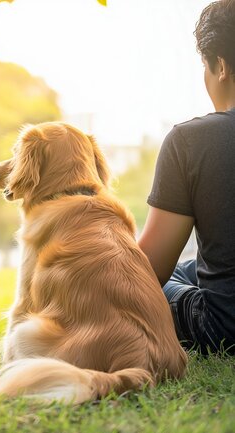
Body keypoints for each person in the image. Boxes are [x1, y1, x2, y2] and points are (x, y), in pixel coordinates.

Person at [138, 0, 235, 354]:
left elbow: (148, 272)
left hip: (223, 328)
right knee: (192, 267)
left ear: (220, 66)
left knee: (157, 278)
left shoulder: (191, 140)